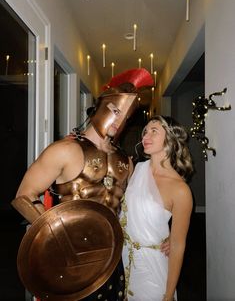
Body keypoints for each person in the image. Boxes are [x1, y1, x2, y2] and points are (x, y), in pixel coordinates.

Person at [11, 68, 158, 301]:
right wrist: (59, 238)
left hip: (110, 257)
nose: (119, 121)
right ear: (100, 107)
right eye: (116, 111)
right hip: (68, 258)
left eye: (126, 117)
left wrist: (160, 239)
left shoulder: (125, 161)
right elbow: (24, 196)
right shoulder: (64, 150)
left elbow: (131, 210)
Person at [121, 115, 193, 301]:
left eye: (154, 131)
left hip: (152, 266)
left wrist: (168, 295)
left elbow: (177, 246)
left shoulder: (180, 190)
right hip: (124, 261)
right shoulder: (136, 169)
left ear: (170, 139)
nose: (145, 136)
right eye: (145, 131)